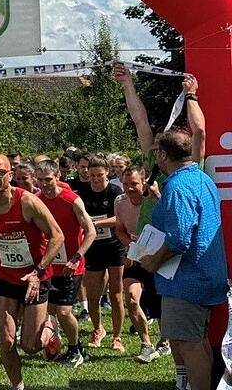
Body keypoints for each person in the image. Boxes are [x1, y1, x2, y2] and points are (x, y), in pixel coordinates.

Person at [116, 64, 208, 389]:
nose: (153, 145)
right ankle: (179, 377)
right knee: (164, 321)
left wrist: (192, 95)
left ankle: (183, 374)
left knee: (179, 329)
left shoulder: (188, 172)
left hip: (172, 258)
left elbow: (199, 133)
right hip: (147, 250)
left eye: (160, 145)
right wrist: (127, 83)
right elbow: (140, 120)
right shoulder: (154, 164)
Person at [139, 129, 227, 390]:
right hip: (206, 274)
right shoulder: (201, 178)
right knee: (194, 340)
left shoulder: (178, 186)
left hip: (187, 280)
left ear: (164, 154)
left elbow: (179, 239)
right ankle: (185, 384)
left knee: (191, 344)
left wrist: (154, 261)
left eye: (158, 154)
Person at [0, 153, 64, 390]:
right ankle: (17, 386)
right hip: (5, 278)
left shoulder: (27, 202)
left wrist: (38, 271)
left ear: (10, 175)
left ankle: (50, 327)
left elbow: (57, 236)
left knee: (30, 346)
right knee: (6, 340)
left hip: (35, 277)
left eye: (0, 172)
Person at [34, 160, 96, 368]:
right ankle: (67, 345)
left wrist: (76, 257)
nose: (45, 184)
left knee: (64, 311)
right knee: (51, 309)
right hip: (50, 266)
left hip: (72, 266)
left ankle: (75, 349)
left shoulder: (71, 200)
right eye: (40, 180)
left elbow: (91, 231)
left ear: (57, 177)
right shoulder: (37, 200)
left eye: (49, 180)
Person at [114, 166, 170, 363]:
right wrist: (131, 246)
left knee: (159, 301)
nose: (129, 189)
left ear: (144, 182)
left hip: (157, 256)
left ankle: (164, 342)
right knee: (130, 297)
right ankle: (146, 344)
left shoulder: (153, 200)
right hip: (135, 256)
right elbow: (119, 230)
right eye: (125, 184)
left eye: (134, 184)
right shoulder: (120, 202)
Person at [77, 155, 125, 352]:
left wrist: (94, 224)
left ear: (107, 173)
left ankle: (117, 336)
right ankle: (98, 329)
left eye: (100, 175)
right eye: (93, 175)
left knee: (116, 294)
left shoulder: (115, 191)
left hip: (114, 245)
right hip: (93, 247)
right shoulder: (83, 192)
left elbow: (120, 217)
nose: (96, 179)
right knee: (94, 294)